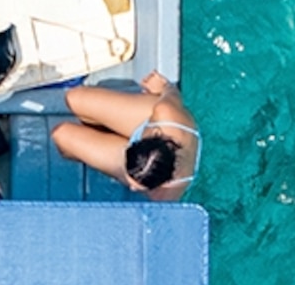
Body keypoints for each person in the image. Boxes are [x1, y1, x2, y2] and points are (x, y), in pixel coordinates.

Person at [52, 72, 200, 199]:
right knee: (73, 98)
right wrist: (165, 86)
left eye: (138, 186)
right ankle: (102, 132)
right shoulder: (166, 114)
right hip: (147, 120)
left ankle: (99, 138)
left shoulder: (165, 194)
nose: (132, 188)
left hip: (154, 166)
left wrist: (137, 183)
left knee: (61, 135)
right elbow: (173, 94)